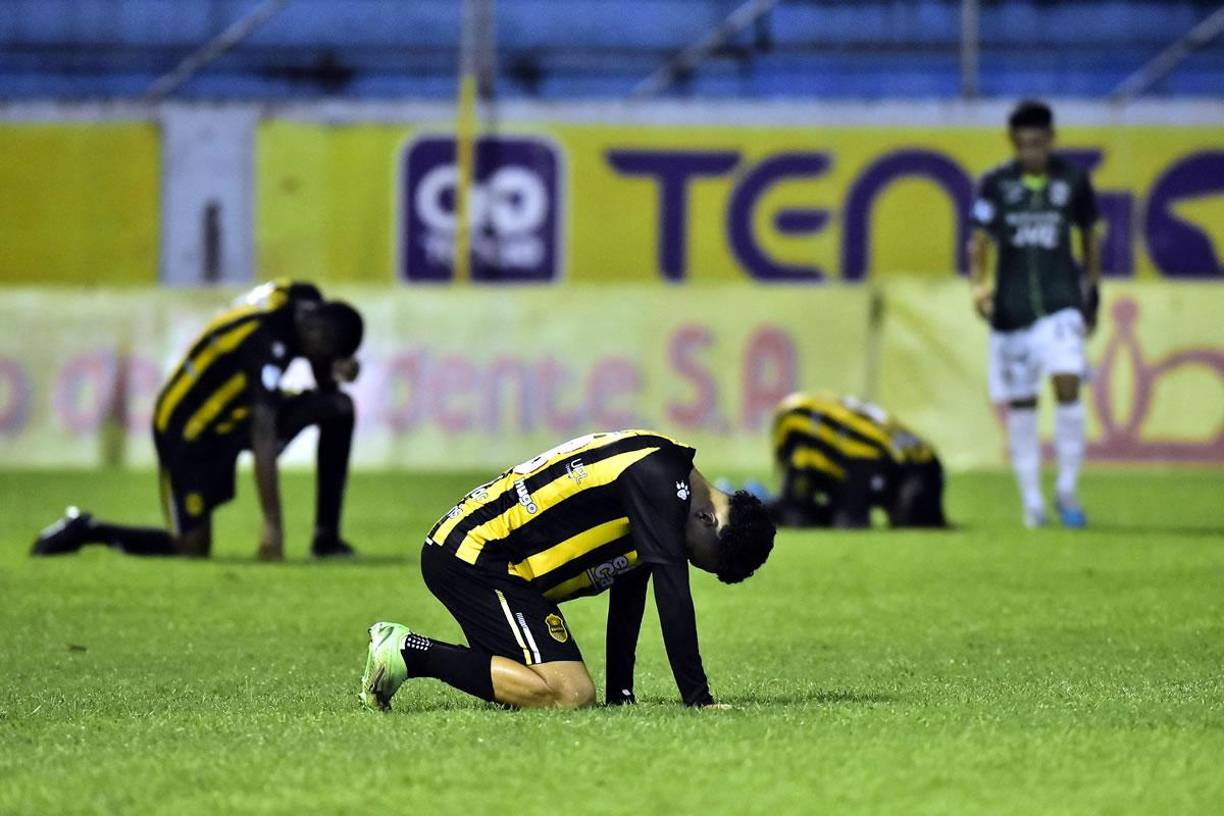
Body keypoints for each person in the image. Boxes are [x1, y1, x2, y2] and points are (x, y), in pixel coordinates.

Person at [359, 430, 775, 711]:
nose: (680, 557)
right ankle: (407, 651)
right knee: (569, 692)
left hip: (499, 567)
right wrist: (698, 700)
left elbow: (631, 592)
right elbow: (673, 595)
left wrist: (621, 695)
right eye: (691, 554)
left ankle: (419, 656)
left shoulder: (666, 477)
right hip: (475, 556)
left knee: (531, 689)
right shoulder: (660, 479)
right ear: (708, 521)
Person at [31, 279, 364, 560]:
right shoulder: (265, 340)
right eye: (325, 354)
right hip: (188, 427)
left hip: (237, 415)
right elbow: (264, 432)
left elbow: (321, 375)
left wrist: (339, 370)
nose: (323, 362)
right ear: (316, 334)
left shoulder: (304, 300)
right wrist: (272, 525)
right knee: (190, 547)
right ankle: (89, 530)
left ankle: (326, 538)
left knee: (339, 406)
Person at [968, 100, 1101, 528]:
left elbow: (1089, 238)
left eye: (1038, 144)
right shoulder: (994, 185)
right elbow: (979, 241)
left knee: (1067, 383)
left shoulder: (1074, 182)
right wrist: (978, 285)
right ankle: (1032, 502)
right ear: (1013, 143)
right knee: (1022, 405)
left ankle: (1067, 488)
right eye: (1023, 145)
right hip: (1011, 311)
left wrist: (1092, 291)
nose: (1031, 152)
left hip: (1061, 302)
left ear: (1050, 140)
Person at [763, 392, 946, 529]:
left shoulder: (894, 458)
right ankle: (765, 507)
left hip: (872, 456)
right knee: (813, 514)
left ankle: (771, 506)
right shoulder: (889, 458)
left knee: (815, 513)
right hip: (871, 457)